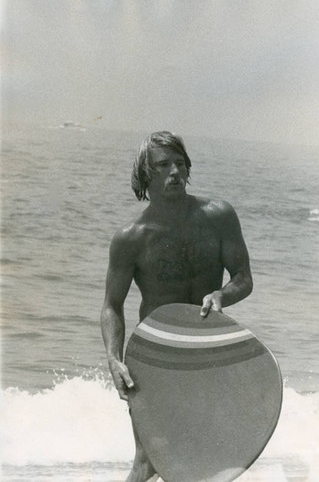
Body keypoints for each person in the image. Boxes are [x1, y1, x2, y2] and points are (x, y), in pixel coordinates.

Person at [100, 131, 253, 482]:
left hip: (207, 350)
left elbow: (243, 277)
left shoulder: (218, 216)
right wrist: (113, 358)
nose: (174, 172)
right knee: (148, 460)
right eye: (163, 165)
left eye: (180, 164)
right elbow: (111, 306)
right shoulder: (131, 238)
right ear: (145, 174)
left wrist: (222, 296)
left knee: (208, 461)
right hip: (154, 354)